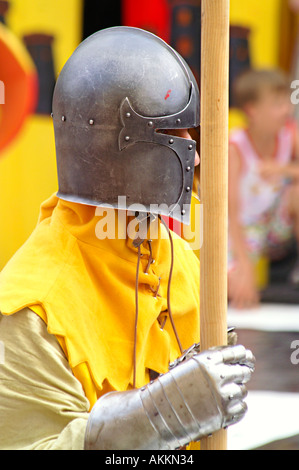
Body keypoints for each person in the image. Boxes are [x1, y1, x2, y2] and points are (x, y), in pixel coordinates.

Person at [0, 27, 254, 450]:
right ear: (116, 147)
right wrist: (158, 416)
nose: (191, 148)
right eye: (171, 133)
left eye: (191, 131)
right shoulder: (33, 308)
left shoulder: (179, 259)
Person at [228, 68, 299, 310]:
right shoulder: (235, 147)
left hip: (273, 226)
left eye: (287, 102)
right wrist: (245, 267)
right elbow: (230, 214)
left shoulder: (289, 136)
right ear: (252, 111)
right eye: (278, 104)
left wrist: (285, 170)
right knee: (234, 287)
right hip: (241, 232)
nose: (287, 110)